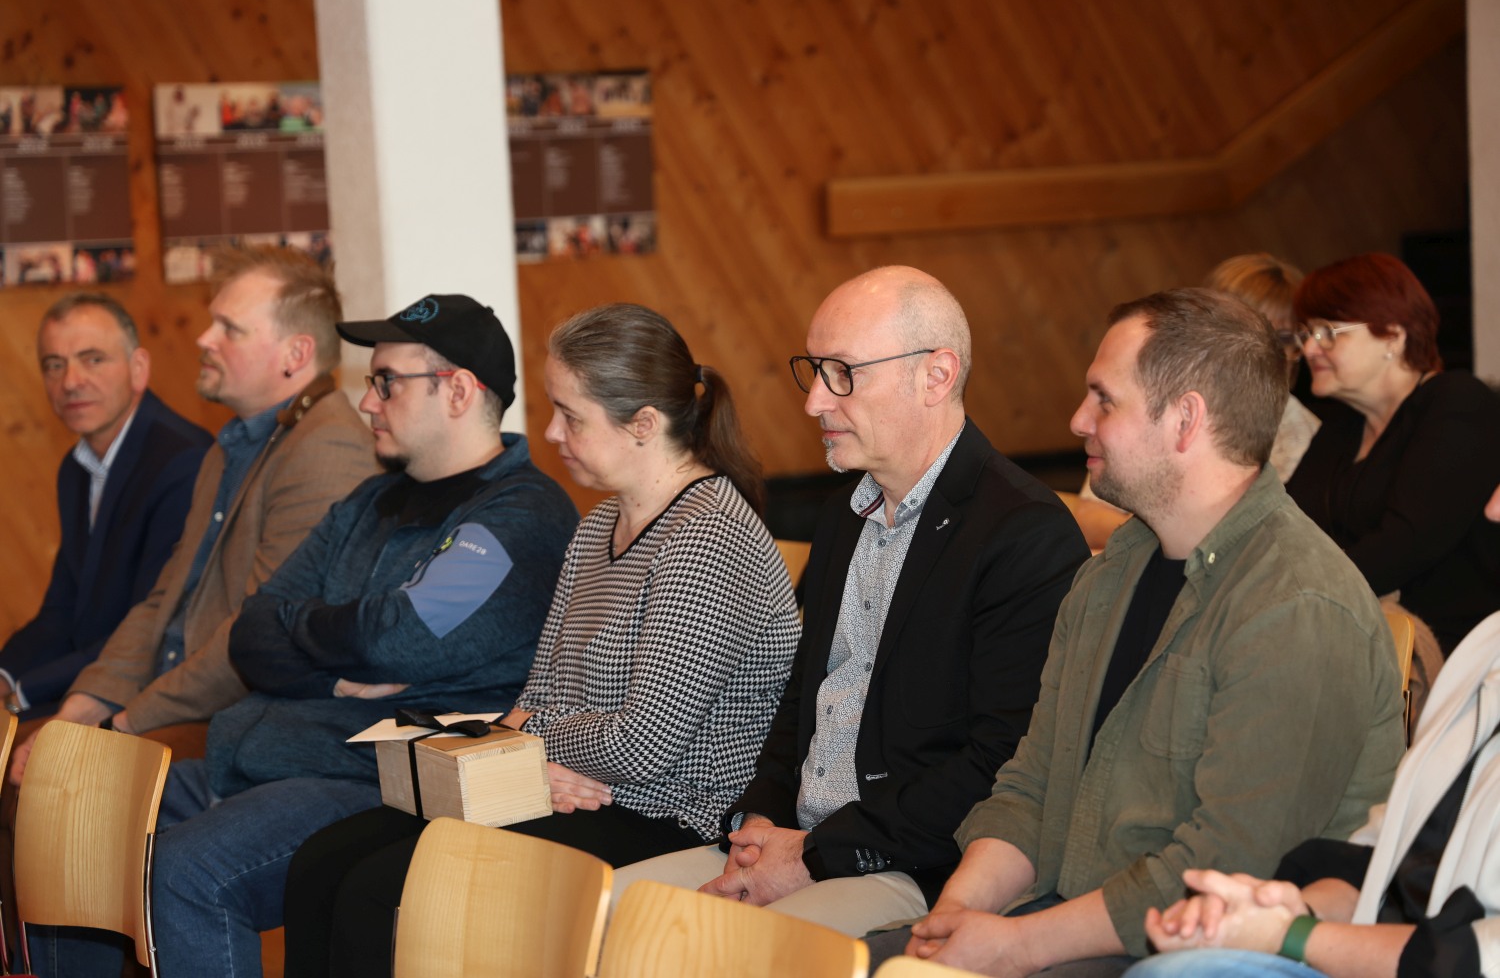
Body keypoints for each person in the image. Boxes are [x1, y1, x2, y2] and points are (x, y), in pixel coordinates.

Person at [26, 294, 579, 978]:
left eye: (387, 383)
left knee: (185, 871)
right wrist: (337, 667)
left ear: (460, 391)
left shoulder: (518, 516)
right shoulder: (370, 500)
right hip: (266, 751)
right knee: (66, 819)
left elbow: (396, 640)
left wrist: (313, 634)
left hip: (371, 777)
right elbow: (253, 633)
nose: (367, 402)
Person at [869, 288, 1404, 976]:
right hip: (1064, 916)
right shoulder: (1110, 573)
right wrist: (955, 918)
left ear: (1185, 420)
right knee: (851, 963)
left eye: (1105, 400)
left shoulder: (1296, 605)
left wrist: (1012, 947)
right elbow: (1031, 786)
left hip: (1196, 950)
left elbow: (1223, 866)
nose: (1078, 419)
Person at [279, 302, 801, 978]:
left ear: (644, 425)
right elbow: (537, 693)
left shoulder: (707, 537)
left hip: (671, 814)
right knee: (323, 863)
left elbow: (644, 743)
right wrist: (531, 756)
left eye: (571, 416)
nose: (551, 432)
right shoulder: (598, 525)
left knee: (381, 891)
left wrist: (532, 745)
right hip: (577, 787)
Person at [612, 265, 1090, 937]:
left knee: (728, 951)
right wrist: (759, 821)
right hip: (797, 840)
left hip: (912, 862)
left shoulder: (1022, 532)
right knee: (602, 915)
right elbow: (801, 701)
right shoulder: (843, 516)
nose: (815, 402)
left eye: (844, 373)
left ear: (936, 376)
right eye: (814, 371)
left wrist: (815, 853)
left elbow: (1000, 765)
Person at [8, 246, 377, 783]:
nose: (204, 339)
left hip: (237, 721)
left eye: (230, 328)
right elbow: (164, 602)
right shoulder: (234, 444)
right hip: (170, 701)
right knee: (23, 761)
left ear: (295, 355)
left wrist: (122, 724)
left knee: (55, 786)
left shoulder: (325, 451)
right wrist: (85, 705)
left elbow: (253, 639)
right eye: (211, 323)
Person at [1122, 609, 1500, 978]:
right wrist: (1276, 912)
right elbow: (1380, 866)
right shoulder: (1487, 647)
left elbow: (1474, 957)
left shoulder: (1305, 604)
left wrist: (1290, 935)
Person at [0, 294, 210, 720]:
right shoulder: (76, 468)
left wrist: (22, 694)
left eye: (92, 359)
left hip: (150, 697)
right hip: (89, 677)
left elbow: (151, 630)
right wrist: (5, 676)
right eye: (54, 365)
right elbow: (62, 611)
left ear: (138, 368)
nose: (70, 381)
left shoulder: (183, 462)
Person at [1285, 252, 1500, 653]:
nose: (1310, 348)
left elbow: (1406, 543)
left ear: (1393, 336)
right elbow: (1287, 526)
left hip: (1451, 652)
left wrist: (1285, 591)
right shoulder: (1343, 426)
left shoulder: (1457, 402)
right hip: (1357, 638)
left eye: (1329, 332)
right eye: (1307, 333)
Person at [1072, 253, 1320, 551]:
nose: (1258, 351)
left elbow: (1242, 542)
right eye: (1236, 331)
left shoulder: (1304, 436)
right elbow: (1084, 516)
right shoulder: (1154, 404)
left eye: (1280, 339)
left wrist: (1156, 536)